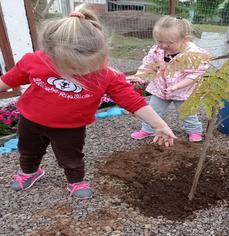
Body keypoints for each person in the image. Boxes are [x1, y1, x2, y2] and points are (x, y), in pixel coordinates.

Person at [0, 6, 176, 199]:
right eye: (73, 67)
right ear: (50, 54)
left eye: (86, 66)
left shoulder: (106, 75)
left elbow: (133, 101)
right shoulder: (34, 61)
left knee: (71, 157)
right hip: (30, 121)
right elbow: (8, 80)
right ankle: (30, 172)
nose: (81, 72)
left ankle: (75, 181)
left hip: (70, 127)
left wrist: (160, 125)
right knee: (27, 150)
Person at [127, 15, 209, 142]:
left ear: (185, 39)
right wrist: (139, 75)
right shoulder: (157, 51)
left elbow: (194, 75)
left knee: (187, 113)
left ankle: (194, 131)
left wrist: (177, 86)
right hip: (160, 89)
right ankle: (148, 130)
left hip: (183, 91)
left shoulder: (193, 55)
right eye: (159, 41)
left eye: (169, 43)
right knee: (152, 111)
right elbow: (148, 65)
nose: (164, 45)